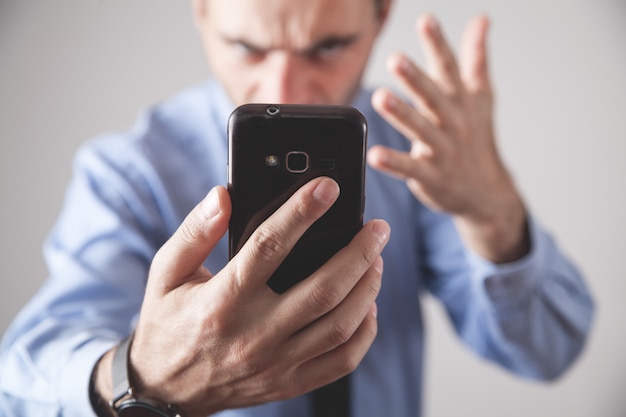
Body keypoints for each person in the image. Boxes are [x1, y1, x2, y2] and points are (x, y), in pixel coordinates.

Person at [0, 0, 594, 416]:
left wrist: (494, 216)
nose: (284, 88)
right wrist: (141, 379)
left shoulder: (421, 158)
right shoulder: (131, 173)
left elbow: (549, 353)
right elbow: (23, 380)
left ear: (381, 13)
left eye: (328, 46)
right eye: (246, 47)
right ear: (201, 10)